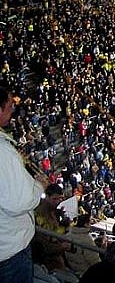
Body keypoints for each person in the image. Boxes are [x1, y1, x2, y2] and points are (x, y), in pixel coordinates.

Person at [0, 86, 48, 282]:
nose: (13, 110)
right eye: (10, 106)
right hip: (9, 253)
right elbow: (19, 202)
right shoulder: (3, 153)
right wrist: (39, 186)